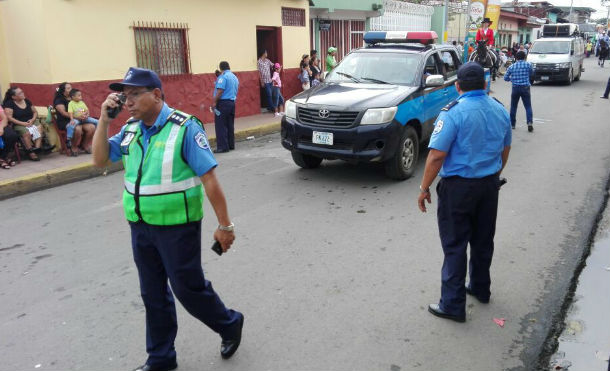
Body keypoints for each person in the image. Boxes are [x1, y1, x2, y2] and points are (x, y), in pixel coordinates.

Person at [92, 67, 244, 371]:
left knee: (188, 289)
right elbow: (98, 160)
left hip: (178, 226)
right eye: (125, 96)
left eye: (135, 94)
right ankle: (161, 358)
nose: (128, 102)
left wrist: (225, 226)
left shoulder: (184, 127)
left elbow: (210, 180)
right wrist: (104, 119)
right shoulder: (130, 130)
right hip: (141, 226)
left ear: (157, 94)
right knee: (152, 294)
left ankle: (229, 323)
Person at [417, 62, 511, 323]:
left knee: (455, 245)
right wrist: (491, 173)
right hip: (489, 186)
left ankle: (452, 305)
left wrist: (424, 188)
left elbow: (436, 156)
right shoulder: (499, 109)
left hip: (458, 189)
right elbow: (506, 148)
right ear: (485, 84)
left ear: (457, 86)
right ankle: (480, 288)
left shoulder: (453, 113)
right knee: (483, 240)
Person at [2, 87, 41, 161]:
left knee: (39, 127)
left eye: (22, 92)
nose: (22, 94)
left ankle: (36, 148)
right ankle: (31, 152)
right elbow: (10, 118)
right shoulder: (9, 104)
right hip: (18, 123)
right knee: (27, 133)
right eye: (20, 93)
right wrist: (23, 123)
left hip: (30, 121)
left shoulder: (27, 101)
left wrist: (32, 120)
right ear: (14, 97)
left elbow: (35, 112)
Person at [504, 50, 534, 132]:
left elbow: (505, 78)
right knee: (528, 106)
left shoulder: (512, 67)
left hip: (515, 88)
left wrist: (512, 79)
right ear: (525, 57)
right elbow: (532, 73)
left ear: (516, 57)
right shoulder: (528, 65)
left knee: (513, 106)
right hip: (525, 88)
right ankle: (529, 122)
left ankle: (512, 124)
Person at [212, 61, 239, 153]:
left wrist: (214, 102)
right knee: (229, 125)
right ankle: (231, 144)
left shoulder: (223, 77)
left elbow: (220, 91)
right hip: (231, 103)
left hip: (223, 103)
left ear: (221, 68)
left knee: (220, 125)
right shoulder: (234, 77)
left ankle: (223, 147)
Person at [67, 89, 98, 155]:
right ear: (73, 97)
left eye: (80, 95)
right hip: (77, 119)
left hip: (85, 118)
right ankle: (69, 138)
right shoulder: (71, 103)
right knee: (71, 125)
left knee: (97, 121)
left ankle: (98, 133)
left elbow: (86, 110)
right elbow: (70, 112)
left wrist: (87, 115)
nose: (81, 97)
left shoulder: (82, 102)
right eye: (79, 96)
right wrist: (72, 119)